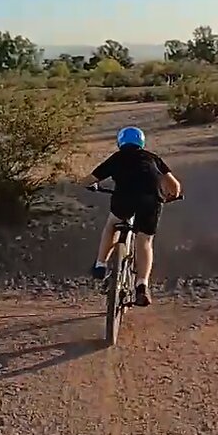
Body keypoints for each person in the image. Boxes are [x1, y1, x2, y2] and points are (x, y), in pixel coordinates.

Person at [78, 126, 183, 307]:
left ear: (120, 142)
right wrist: (171, 196)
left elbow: (88, 180)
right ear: (141, 143)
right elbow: (174, 185)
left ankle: (100, 265)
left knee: (112, 224)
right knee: (144, 241)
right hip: (151, 200)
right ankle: (142, 285)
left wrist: (91, 186)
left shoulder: (117, 158)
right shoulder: (153, 158)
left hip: (124, 198)